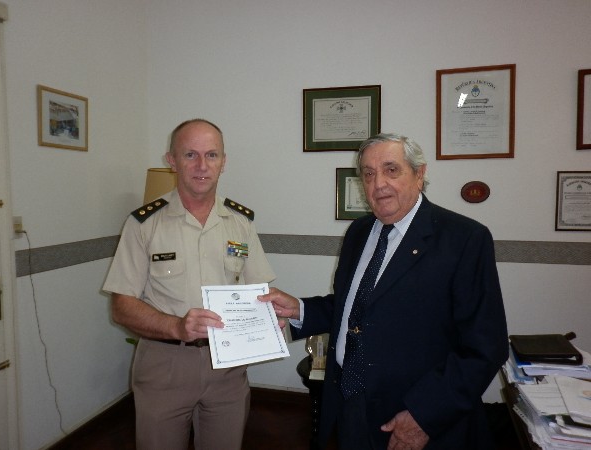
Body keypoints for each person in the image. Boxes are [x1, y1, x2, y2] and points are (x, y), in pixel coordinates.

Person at [259, 133, 508, 450]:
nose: (378, 184)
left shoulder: (463, 239)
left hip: (416, 416)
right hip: (351, 400)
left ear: (419, 174)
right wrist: (299, 309)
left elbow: (485, 347)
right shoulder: (359, 232)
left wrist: (423, 416)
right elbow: (357, 307)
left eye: (392, 170)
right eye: (368, 173)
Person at [103, 119, 275, 450]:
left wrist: (274, 314)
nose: (201, 166)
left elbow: (261, 292)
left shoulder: (240, 223)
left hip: (228, 367)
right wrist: (177, 327)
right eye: (190, 155)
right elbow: (121, 306)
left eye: (211, 155)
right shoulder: (144, 224)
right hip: (165, 365)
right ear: (172, 160)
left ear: (224, 162)